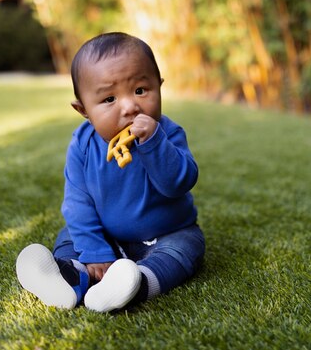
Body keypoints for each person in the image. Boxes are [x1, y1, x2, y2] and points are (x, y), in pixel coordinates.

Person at [16, 32, 205, 312]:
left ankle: (136, 283)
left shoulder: (168, 134)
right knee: (71, 233)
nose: (130, 106)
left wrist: (154, 144)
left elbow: (178, 183)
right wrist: (95, 252)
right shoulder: (82, 145)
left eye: (141, 90)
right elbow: (78, 203)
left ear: (159, 87)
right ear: (84, 110)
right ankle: (67, 275)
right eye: (109, 99)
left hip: (166, 232)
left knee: (188, 246)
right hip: (107, 234)